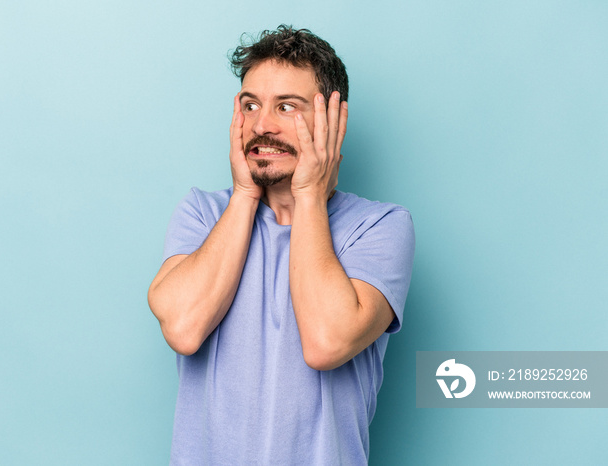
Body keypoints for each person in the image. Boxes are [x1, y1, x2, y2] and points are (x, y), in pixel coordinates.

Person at [148, 25, 415, 465]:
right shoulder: (202, 213)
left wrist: (309, 194)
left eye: (286, 107)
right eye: (250, 105)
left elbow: (327, 342)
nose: (261, 125)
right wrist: (245, 193)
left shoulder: (381, 226)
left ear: (332, 122)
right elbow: (183, 328)